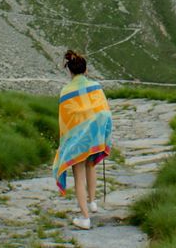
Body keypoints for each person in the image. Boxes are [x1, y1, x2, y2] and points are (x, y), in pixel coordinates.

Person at [52, 49, 112, 230]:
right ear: (85, 70)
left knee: (78, 176)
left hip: (77, 140)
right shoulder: (96, 86)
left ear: (70, 72)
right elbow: (103, 110)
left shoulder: (66, 92)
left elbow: (65, 121)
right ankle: (92, 202)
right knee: (90, 166)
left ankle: (84, 217)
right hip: (94, 137)